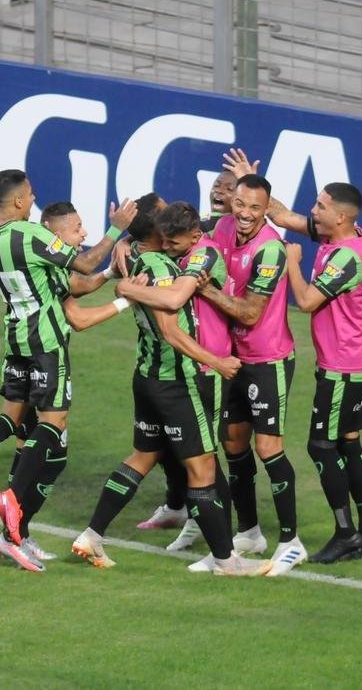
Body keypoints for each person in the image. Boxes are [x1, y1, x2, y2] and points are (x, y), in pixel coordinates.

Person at [0, 171, 135, 572]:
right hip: (45, 343)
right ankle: (12, 498)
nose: (33, 199)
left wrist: (108, 275)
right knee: (53, 423)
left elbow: (71, 282)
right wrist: (116, 229)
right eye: (29, 195)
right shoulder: (31, 236)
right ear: (16, 201)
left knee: (11, 419)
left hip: (14, 340)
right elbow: (84, 261)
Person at [70, 200, 268, 576]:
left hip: (146, 376)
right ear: (157, 233)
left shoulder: (134, 256)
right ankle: (226, 560)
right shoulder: (161, 268)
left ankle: (92, 535)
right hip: (176, 381)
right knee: (203, 469)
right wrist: (216, 361)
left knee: (142, 457)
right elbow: (171, 330)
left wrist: (123, 264)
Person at [224, 149, 362, 562]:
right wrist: (250, 184)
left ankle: (346, 533)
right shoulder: (345, 236)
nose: (313, 211)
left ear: (341, 217)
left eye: (320, 206)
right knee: (349, 443)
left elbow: (308, 301)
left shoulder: (347, 258)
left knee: (321, 447)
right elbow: (283, 216)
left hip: (342, 368)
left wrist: (292, 262)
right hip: (355, 362)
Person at [197, 169, 307, 576]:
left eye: (254, 208)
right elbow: (180, 230)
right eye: (239, 203)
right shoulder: (222, 227)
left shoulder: (271, 250)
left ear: (266, 210)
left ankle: (291, 541)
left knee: (268, 447)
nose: (244, 213)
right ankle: (249, 532)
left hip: (268, 358)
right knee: (233, 443)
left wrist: (206, 289)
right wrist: (129, 242)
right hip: (233, 356)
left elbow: (250, 312)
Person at [119, 202, 234, 559]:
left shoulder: (203, 254)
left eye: (173, 242)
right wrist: (124, 242)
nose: (166, 248)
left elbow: (173, 299)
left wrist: (127, 289)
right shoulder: (182, 243)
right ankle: (205, 528)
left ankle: (226, 544)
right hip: (189, 363)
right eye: (164, 241)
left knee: (205, 460)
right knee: (193, 456)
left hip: (207, 365)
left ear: (194, 236)